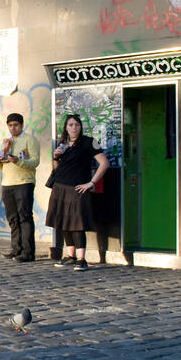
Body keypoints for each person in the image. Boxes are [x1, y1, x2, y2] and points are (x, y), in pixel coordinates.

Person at [46, 113, 111, 271]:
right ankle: (70, 256)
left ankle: (81, 259)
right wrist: (56, 157)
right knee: (63, 222)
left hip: (77, 188)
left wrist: (91, 183)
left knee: (77, 223)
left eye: (76, 124)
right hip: (60, 187)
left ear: (80, 126)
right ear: (66, 128)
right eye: (70, 125)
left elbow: (104, 163)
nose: (74, 127)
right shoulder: (62, 144)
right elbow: (57, 169)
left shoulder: (90, 142)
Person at [0, 112, 40, 262]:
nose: (12, 128)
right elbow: (0, 165)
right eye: (10, 125)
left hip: (24, 182)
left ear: (21, 125)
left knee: (25, 217)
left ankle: (28, 252)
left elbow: (35, 162)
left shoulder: (30, 140)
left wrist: (17, 161)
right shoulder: (6, 142)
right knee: (13, 218)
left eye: (15, 125)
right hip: (7, 183)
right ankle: (16, 248)